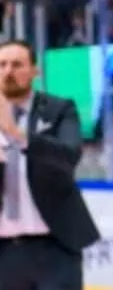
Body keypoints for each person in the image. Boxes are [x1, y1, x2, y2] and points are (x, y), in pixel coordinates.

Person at [0, 40, 100, 289]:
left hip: (55, 246)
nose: (8, 71)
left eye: (17, 64)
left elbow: (69, 157)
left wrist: (16, 133)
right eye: (2, 64)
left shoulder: (59, 109)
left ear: (35, 71)